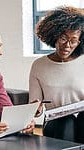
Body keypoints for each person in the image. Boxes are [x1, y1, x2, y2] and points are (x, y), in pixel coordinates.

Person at [29, 6, 84, 143]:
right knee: (66, 122)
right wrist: (36, 108)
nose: (67, 45)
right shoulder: (39, 65)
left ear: (80, 41)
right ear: (54, 36)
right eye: (63, 38)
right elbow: (34, 107)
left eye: (73, 41)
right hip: (57, 123)